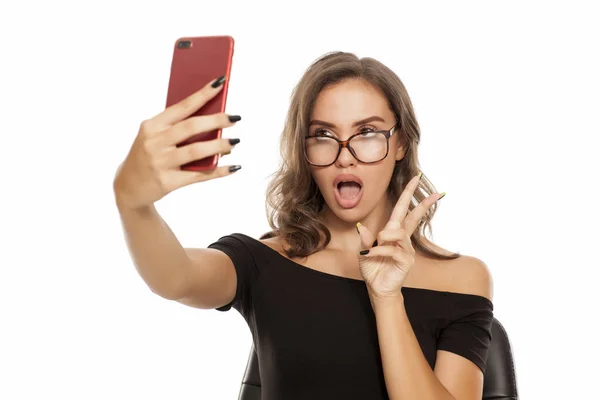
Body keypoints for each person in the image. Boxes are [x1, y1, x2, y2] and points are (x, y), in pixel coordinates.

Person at [113, 51, 494, 400]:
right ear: (304, 149)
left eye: (366, 133)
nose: (345, 155)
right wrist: (133, 204)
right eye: (324, 135)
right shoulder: (263, 262)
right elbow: (177, 279)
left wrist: (388, 298)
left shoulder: (462, 278)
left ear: (401, 144)